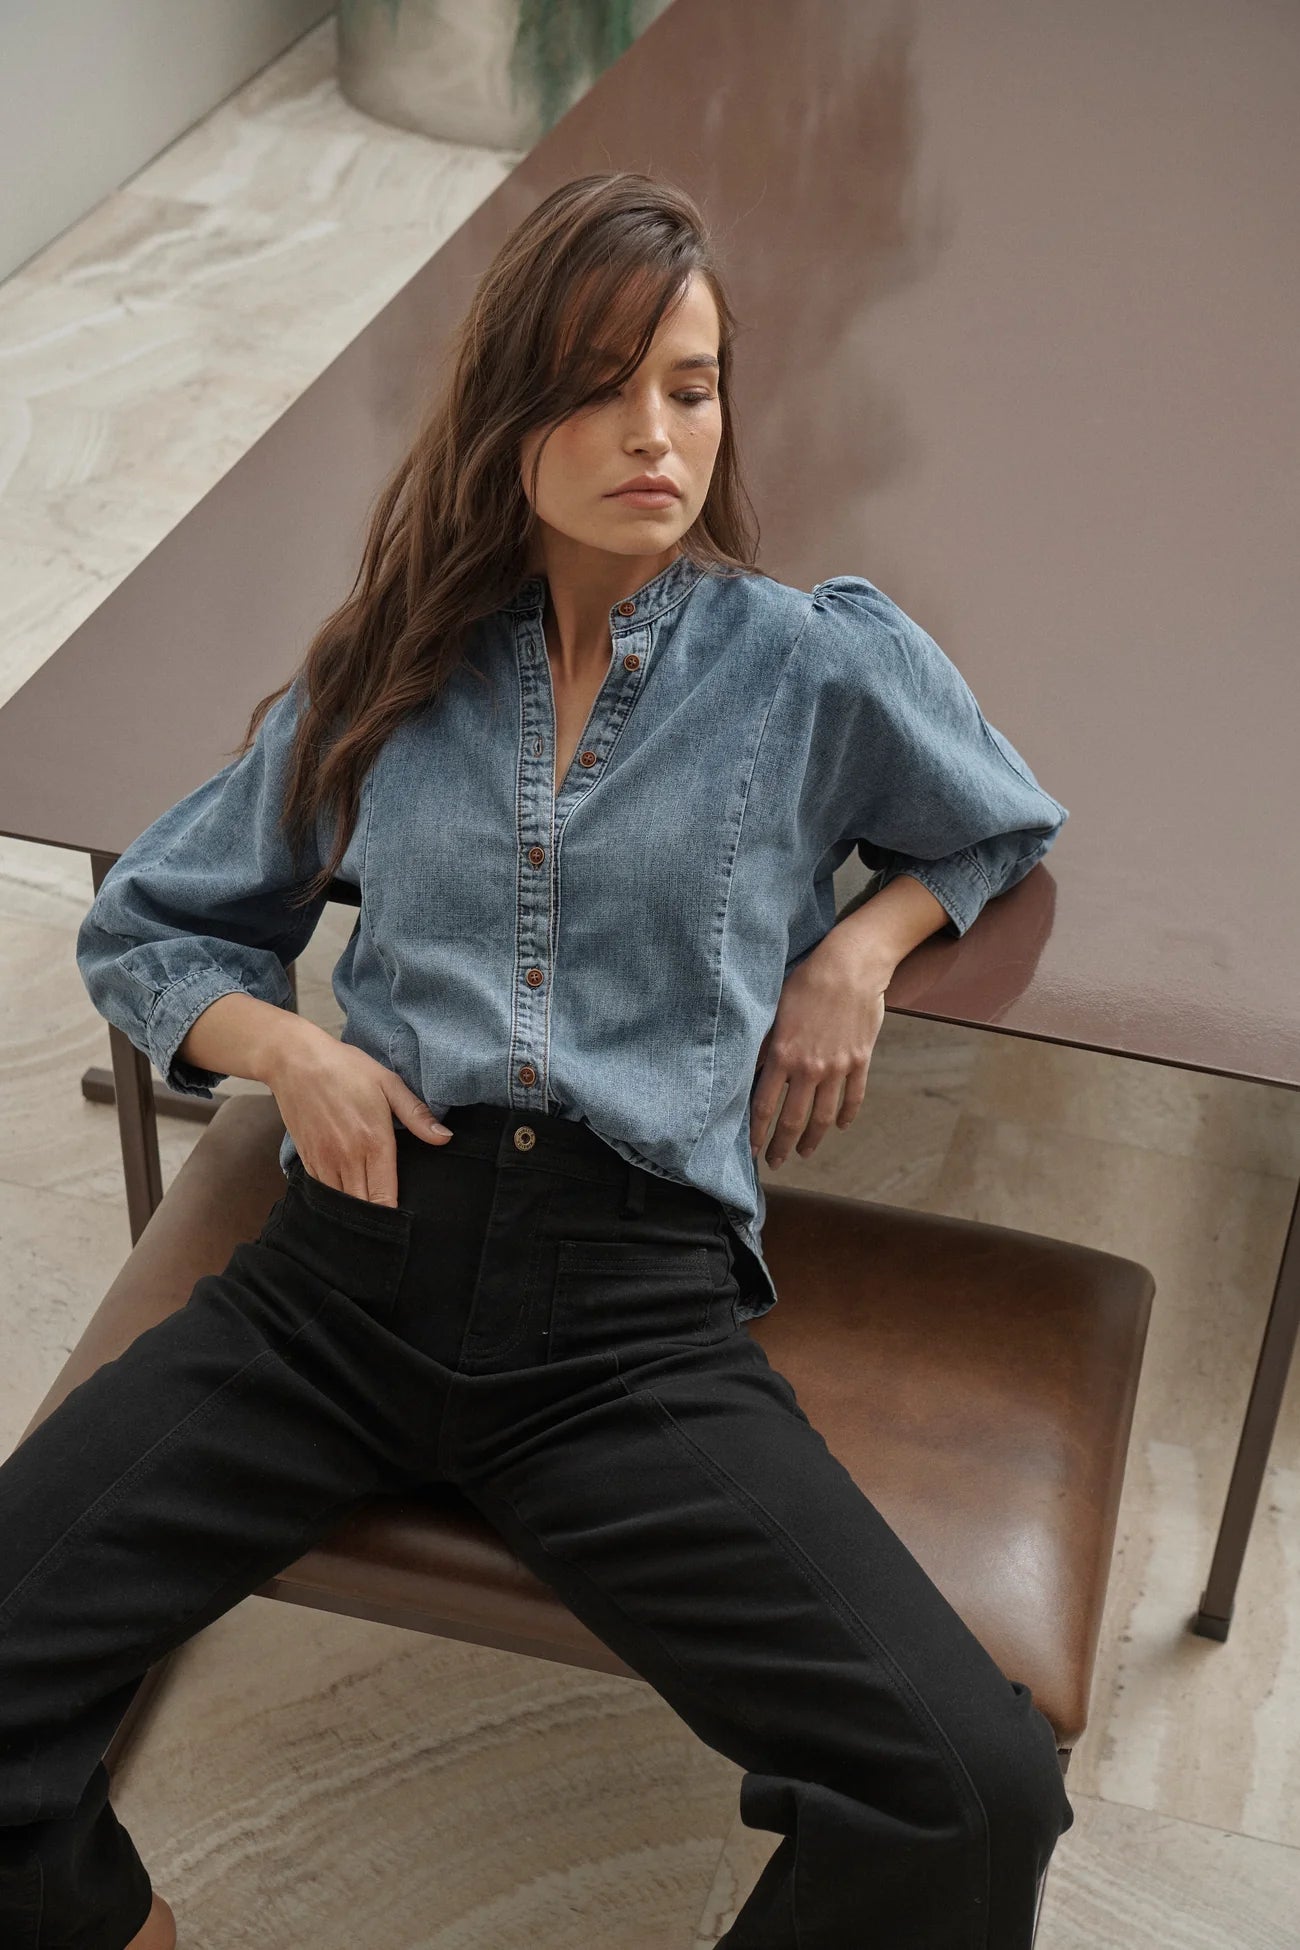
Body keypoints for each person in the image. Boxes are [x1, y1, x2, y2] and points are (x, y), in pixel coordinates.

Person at [1, 170, 1073, 1949]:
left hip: (622, 1324)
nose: (657, 433)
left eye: (691, 386)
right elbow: (149, 925)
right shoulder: (394, 668)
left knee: (972, 1787)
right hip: (344, 1281)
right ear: (510, 415)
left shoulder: (804, 663)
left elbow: (1003, 821)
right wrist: (293, 1051)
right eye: (600, 387)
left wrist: (859, 947)